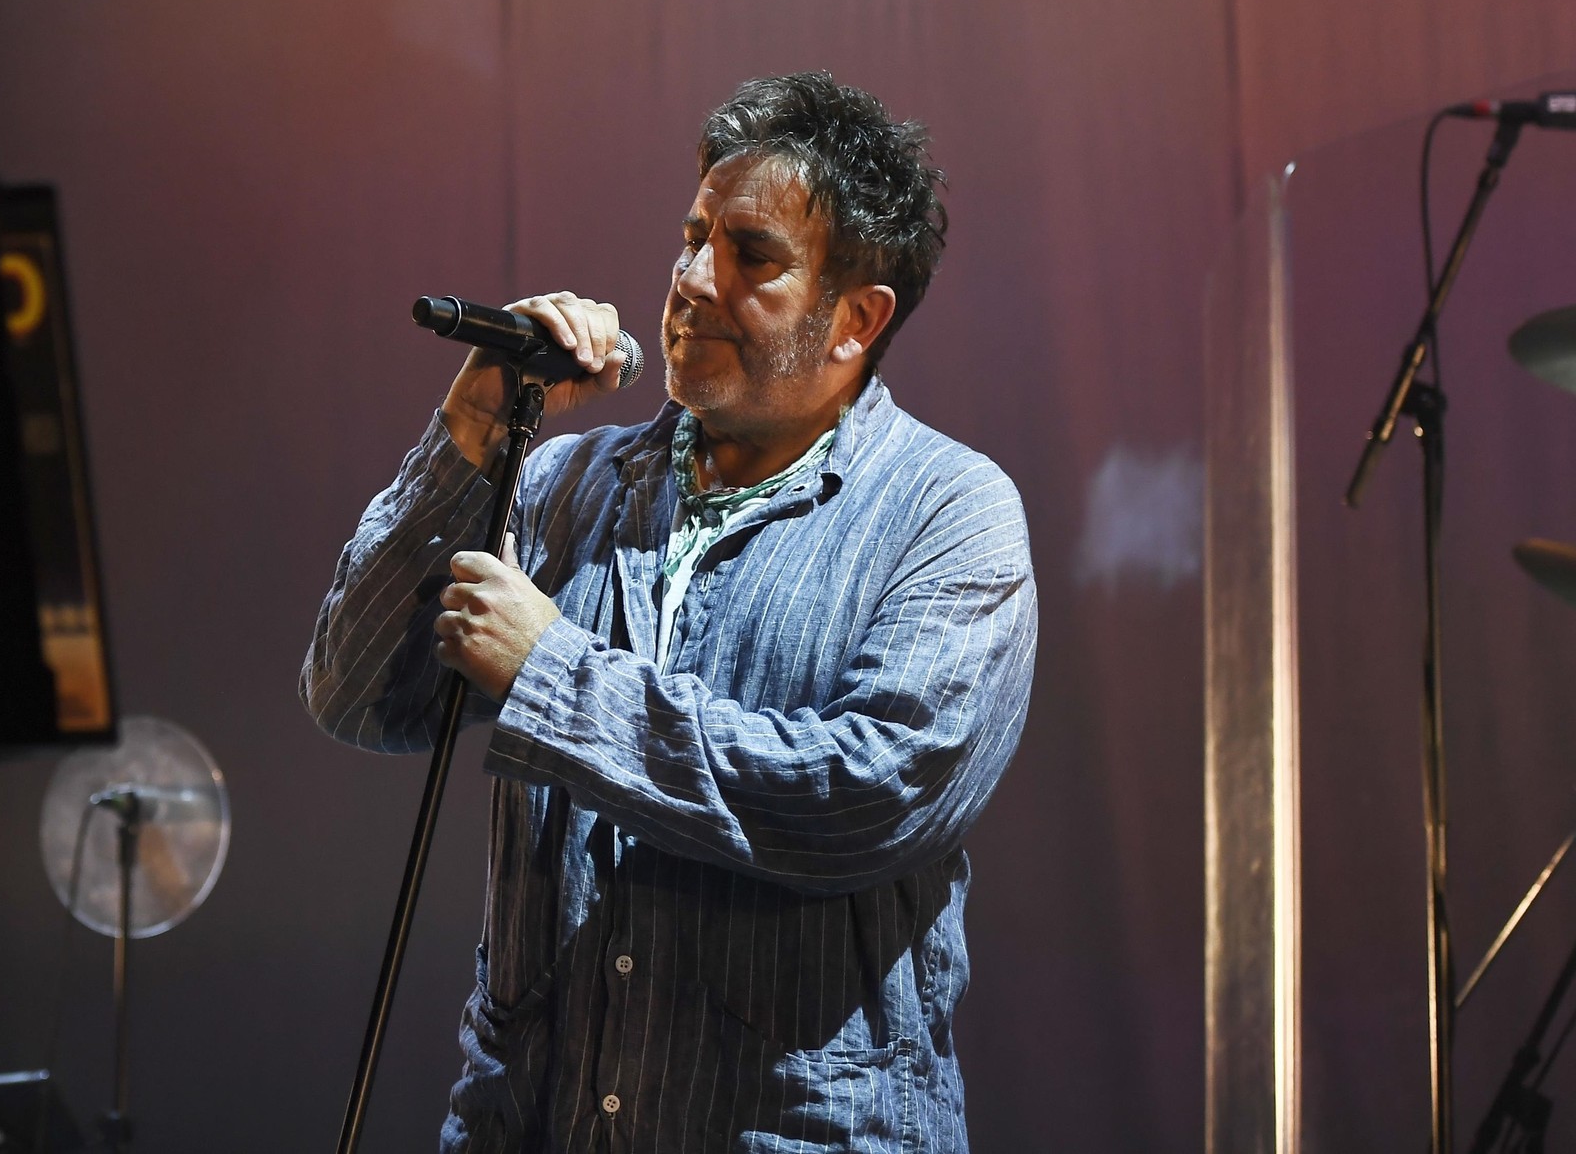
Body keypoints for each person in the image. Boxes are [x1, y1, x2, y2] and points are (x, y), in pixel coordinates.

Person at [302, 71, 1037, 1153]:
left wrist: (552, 675)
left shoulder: (947, 513)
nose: (694, 278)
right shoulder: (563, 483)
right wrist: (467, 426)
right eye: (693, 236)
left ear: (856, 320)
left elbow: (871, 795)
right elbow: (358, 693)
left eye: (753, 255)